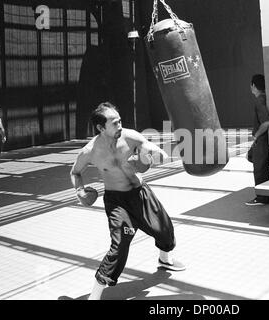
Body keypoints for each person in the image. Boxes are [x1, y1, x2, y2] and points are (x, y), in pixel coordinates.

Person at [70, 102, 185, 300]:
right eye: (114, 123)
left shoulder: (129, 136)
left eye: (120, 121)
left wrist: (154, 152)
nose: (120, 126)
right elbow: (75, 172)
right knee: (119, 246)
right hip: (117, 202)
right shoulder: (90, 151)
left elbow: (146, 146)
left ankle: (164, 260)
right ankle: (94, 297)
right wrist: (80, 191)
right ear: (101, 128)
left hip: (141, 194)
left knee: (165, 230)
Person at [245, 74, 269, 206]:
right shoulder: (267, 98)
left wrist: (256, 136)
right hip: (266, 141)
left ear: (253, 86)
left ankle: (262, 198)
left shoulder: (259, 101)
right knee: (253, 160)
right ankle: (265, 195)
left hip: (261, 141)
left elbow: (266, 122)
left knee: (259, 169)